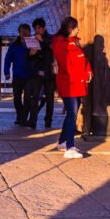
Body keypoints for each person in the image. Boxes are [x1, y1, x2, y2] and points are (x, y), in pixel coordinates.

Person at [52, 16, 92, 159]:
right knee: (72, 113)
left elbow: (83, 60)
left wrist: (88, 72)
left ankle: (63, 141)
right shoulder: (60, 43)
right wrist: (82, 74)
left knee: (71, 113)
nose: (78, 29)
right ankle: (70, 147)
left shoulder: (74, 42)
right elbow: (66, 65)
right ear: (70, 29)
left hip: (78, 82)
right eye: (76, 27)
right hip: (69, 83)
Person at [25, 16, 56, 130]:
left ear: (44, 28)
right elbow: (28, 57)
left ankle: (48, 121)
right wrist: (31, 54)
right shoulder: (33, 39)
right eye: (35, 28)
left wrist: (43, 41)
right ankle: (32, 120)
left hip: (49, 72)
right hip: (37, 71)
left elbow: (54, 48)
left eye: (39, 28)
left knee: (49, 98)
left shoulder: (51, 38)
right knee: (35, 97)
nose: (37, 31)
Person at [4, 24, 33, 125]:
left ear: (30, 32)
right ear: (19, 33)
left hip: (30, 75)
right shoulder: (14, 45)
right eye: (22, 31)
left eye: (26, 31)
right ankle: (19, 115)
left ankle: (24, 117)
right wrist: (6, 71)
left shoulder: (33, 44)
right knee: (16, 97)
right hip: (17, 75)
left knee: (28, 97)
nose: (25, 33)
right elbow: (8, 59)